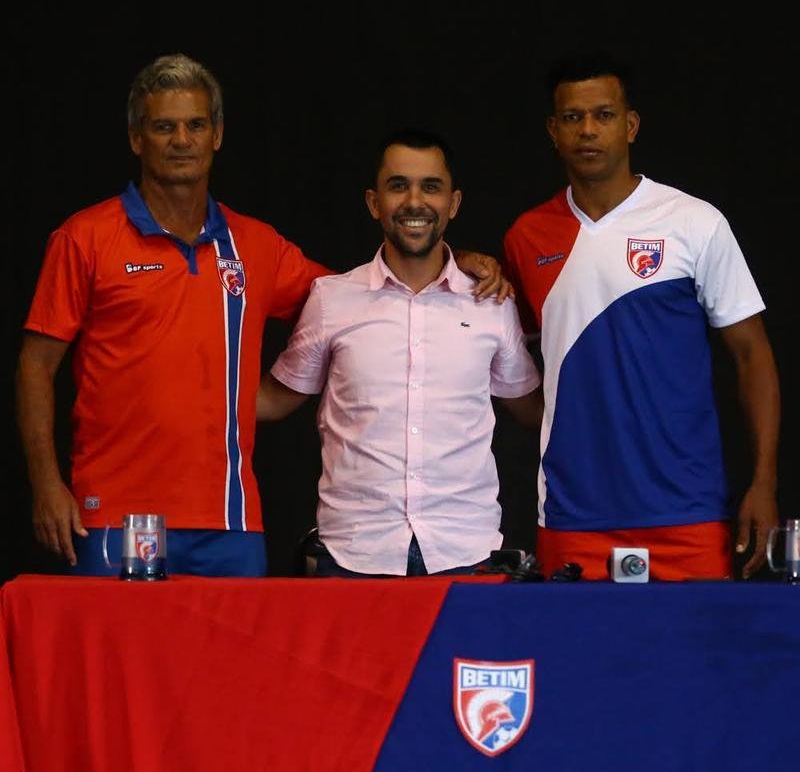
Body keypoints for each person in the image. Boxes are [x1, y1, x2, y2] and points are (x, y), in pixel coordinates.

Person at [15, 54, 508, 577]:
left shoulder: (254, 245)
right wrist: (47, 484)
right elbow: (34, 366)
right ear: (137, 138)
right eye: (164, 127)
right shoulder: (85, 238)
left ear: (217, 135)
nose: (181, 140)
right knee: (122, 659)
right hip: (118, 512)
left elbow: (362, 297)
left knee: (233, 662)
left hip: (230, 519)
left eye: (196, 125)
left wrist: (454, 264)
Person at [503, 52, 780, 581]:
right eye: (573, 117)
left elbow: (752, 355)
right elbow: (507, 368)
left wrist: (763, 481)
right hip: (574, 509)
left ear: (630, 126)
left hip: (687, 509)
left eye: (604, 115)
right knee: (579, 662)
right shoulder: (526, 237)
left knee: (694, 661)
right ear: (553, 131)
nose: (588, 130)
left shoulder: (694, 221)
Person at [258, 130, 542, 576]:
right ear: (374, 203)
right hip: (353, 553)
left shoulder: (491, 304)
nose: (415, 201)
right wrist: (177, 398)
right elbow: (274, 399)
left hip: (465, 551)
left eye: (431, 187)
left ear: (453, 203)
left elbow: (532, 409)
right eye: (398, 186)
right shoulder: (332, 299)